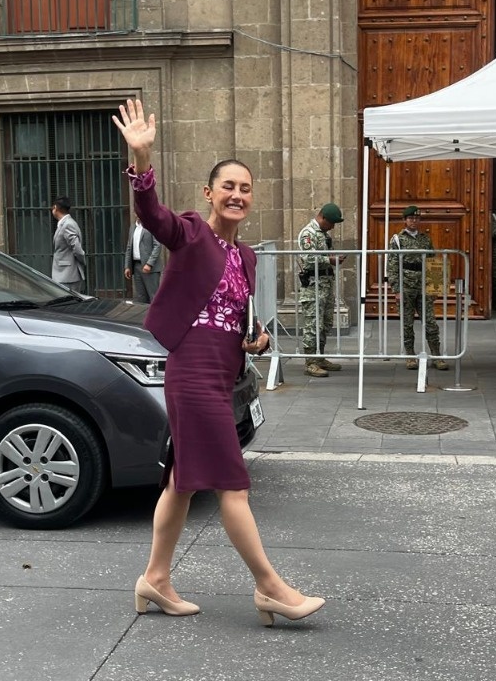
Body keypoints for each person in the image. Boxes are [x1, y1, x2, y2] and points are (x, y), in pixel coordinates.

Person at [112, 98, 324, 627]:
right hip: (190, 377)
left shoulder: (246, 256)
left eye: (245, 188)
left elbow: (237, 317)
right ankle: (270, 587)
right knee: (232, 483)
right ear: (209, 194)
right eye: (227, 186)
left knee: (182, 482)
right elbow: (152, 216)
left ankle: (154, 579)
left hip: (222, 376)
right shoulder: (191, 234)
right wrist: (142, 160)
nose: (237, 194)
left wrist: (257, 337)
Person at [387, 205, 448, 371]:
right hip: (406, 285)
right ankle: (409, 355)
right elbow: (392, 265)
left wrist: (435, 287)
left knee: (430, 322)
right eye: (410, 218)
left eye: (416, 218)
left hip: (423, 285)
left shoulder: (425, 239)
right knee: (407, 322)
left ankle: (436, 355)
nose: (414, 221)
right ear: (404, 220)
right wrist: (396, 289)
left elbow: (432, 262)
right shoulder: (397, 240)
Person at [297, 203, 345, 378]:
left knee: (325, 323)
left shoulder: (323, 234)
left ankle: (319, 356)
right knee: (313, 324)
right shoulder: (308, 233)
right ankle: (310, 362)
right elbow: (309, 259)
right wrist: (330, 260)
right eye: (331, 222)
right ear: (322, 217)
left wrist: (332, 259)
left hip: (325, 283)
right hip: (313, 286)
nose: (332, 226)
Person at [124, 215, 163, 303]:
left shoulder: (152, 226)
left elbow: (157, 246)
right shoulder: (133, 227)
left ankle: (155, 316)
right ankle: (143, 316)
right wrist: (127, 266)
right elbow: (129, 247)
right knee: (141, 297)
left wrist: (149, 264)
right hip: (136, 266)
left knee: (154, 297)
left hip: (150, 268)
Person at [51, 196, 86, 291]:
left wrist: (82, 261)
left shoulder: (67, 224)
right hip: (65, 275)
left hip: (67, 276)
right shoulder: (65, 223)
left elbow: (77, 249)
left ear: (56, 208)